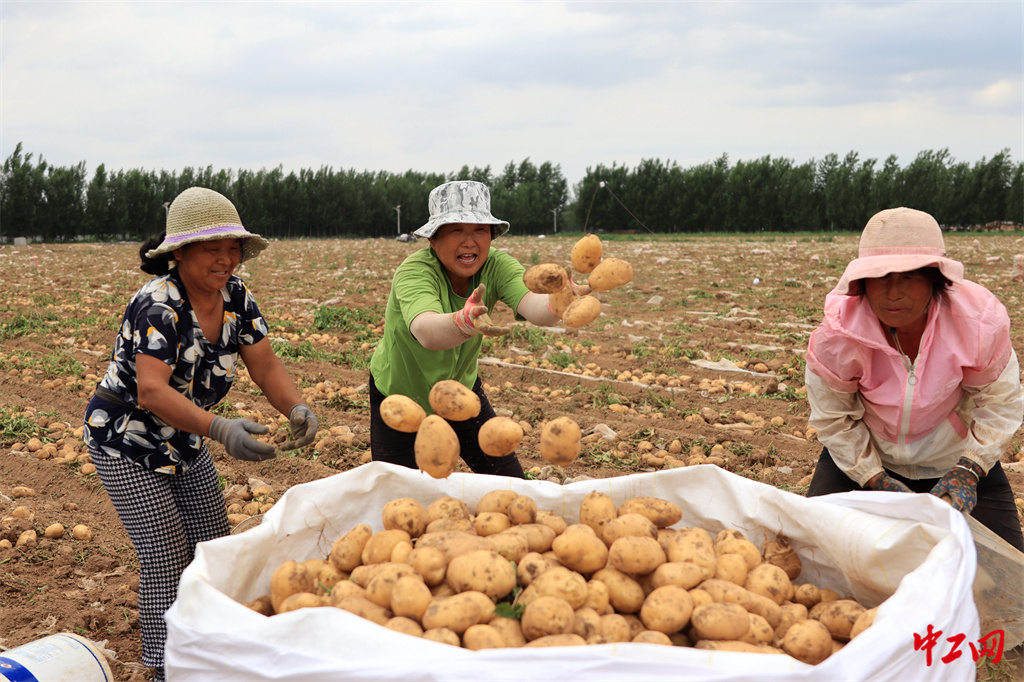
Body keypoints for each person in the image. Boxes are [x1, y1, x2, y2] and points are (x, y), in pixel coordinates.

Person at [83, 187, 318, 681]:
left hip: (185, 438)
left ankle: (211, 650)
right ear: (180, 253)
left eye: (232, 247)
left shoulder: (237, 298)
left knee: (214, 545)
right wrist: (220, 428)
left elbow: (266, 363)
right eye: (213, 247)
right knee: (166, 552)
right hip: (126, 438)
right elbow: (150, 391)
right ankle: (164, 665)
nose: (226, 258)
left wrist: (295, 405)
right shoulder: (158, 307)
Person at [805, 207, 1024, 551]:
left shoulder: (977, 323)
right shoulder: (839, 335)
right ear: (863, 283)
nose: (893, 292)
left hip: (954, 459)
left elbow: (1000, 402)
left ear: (935, 278)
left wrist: (970, 468)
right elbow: (834, 419)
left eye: (909, 277)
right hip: (866, 457)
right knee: (813, 552)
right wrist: (872, 478)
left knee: (1008, 575)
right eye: (881, 277)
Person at [369, 180, 572, 477]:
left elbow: (534, 306)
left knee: (512, 484)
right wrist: (464, 322)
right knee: (401, 497)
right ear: (433, 240)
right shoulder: (414, 272)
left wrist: (562, 301)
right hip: (401, 398)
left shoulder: (497, 266)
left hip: (460, 393)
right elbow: (426, 331)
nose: (469, 241)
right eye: (455, 230)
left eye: (479, 230)